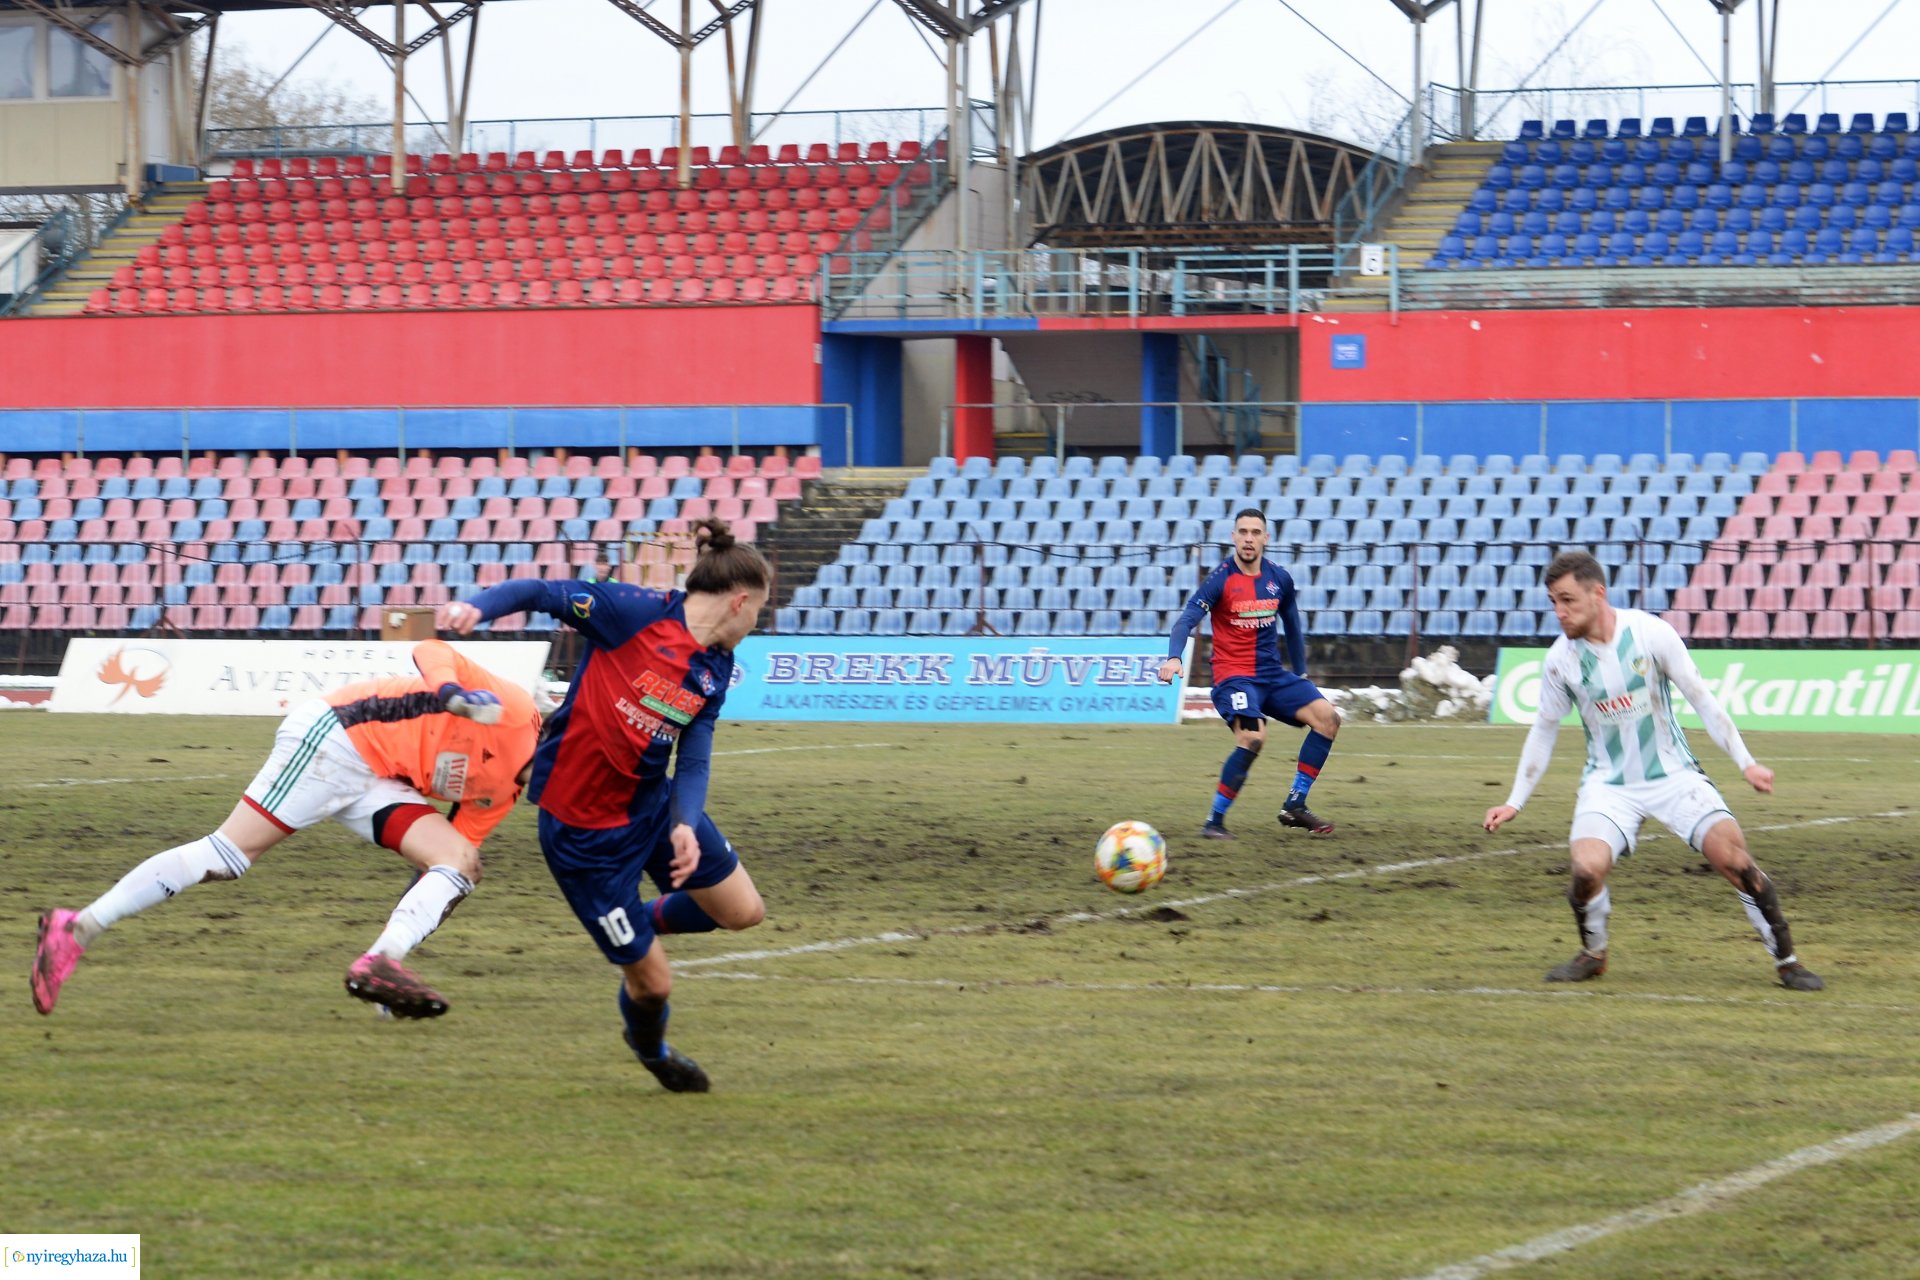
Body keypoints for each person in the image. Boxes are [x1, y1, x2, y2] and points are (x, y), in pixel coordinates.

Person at [32, 640, 541, 1018]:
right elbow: (431, 648)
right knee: (227, 856)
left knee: (459, 863)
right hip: (336, 738)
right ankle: (76, 928)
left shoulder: (502, 796)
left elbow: (432, 875)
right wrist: (450, 692)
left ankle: (382, 964)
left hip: (375, 779)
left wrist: (403, 940)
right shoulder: (515, 712)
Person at [436, 517, 770, 1093]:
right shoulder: (633, 613)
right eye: (760, 611)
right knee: (653, 984)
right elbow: (538, 591)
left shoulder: (715, 667)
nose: (756, 622)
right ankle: (654, 1052)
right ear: (741, 601)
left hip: (653, 810)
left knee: (742, 911)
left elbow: (693, 753)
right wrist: (477, 607)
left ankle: (632, 923)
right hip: (584, 832)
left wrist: (686, 823)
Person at [1483, 550, 1823, 992]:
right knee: (1585, 872)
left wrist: (1746, 762)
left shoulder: (1650, 634)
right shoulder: (1560, 661)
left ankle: (1788, 962)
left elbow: (1702, 699)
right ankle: (1593, 953)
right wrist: (1515, 800)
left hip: (1673, 776)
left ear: (1597, 592)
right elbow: (1544, 731)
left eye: (1567, 600)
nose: (1559, 612)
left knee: (1737, 863)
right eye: (1553, 602)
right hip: (1609, 783)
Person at [1158, 507, 1341, 840]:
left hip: (1271, 675)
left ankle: (1295, 804)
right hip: (1234, 677)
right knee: (1253, 737)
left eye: (1255, 532)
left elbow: (1293, 626)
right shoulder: (1220, 579)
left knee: (1328, 719)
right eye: (1242, 532)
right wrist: (1173, 657)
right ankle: (1214, 822)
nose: (1248, 538)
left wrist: (1300, 674)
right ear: (1233, 537)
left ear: (1266, 538)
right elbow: (1186, 619)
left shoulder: (1279, 579)